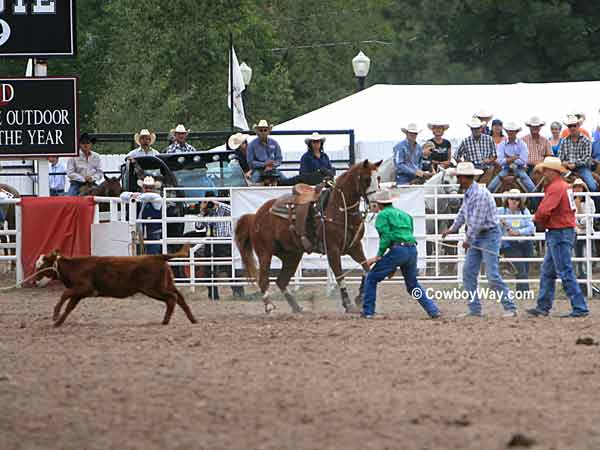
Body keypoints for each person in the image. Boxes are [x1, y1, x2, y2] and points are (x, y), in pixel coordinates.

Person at [441, 162, 518, 317]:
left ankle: (510, 307)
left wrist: (468, 239)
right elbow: (464, 212)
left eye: (459, 178)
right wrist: (453, 228)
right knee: (468, 272)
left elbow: (476, 222)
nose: (458, 181)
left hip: (489, 234)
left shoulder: (480, 195)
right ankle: (474, 309)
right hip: (479, 235)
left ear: (465, 178)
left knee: (492, 274)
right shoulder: (470, 192)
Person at [361, 190, 440, 319]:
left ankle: (368, 312)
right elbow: (408, 234)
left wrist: (378, 256)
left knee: (371, 278)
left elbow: (385, 237)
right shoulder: (405, 215)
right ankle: (433, 310)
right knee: (413, 285)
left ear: (379, 204)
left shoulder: (382, 215)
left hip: (398, 250)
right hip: (412, 250)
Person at [527, 157, 589, 317]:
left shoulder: (555, 188)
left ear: (552, 171)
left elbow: (545, 209)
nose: (543, 173)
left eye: (546, 170)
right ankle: (543, 306)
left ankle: (579, 307)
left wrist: (537, 218)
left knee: (563, 270)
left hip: (559, 232)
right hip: (563, 230)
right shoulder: (565, 186)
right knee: (549, 270)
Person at [198, 191, 244, 300]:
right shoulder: (206, 212)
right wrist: (202, 211)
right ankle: (213, 295)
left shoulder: (224, 209)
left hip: (224, 241)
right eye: (207, 201)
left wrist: (217, 203)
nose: (210, 203)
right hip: (210, 241)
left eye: (211, 201)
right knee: (209, 269)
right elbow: (198, 226)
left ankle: (238, 292)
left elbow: (233, 210)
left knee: (230, 268)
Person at [498, 189, 535, 292]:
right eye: (512, 198)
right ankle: (525, 293)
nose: (514, 201)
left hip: (525, 243)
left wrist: (518, 232)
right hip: (509, 244)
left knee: (524, 270)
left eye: (517, 199)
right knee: (520, 269)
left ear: (520, 201)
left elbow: (532, 228)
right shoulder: (500, 211)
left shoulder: (524, 211)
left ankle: (520, 293)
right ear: (507, 200)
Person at [120, 176, 163, 255]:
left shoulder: (157, 198)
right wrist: (134, 195)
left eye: (151, 188)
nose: (148, 189)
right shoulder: (142, 198)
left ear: (154, 189)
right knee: (140, 253)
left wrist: (134, 196)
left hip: (153, 231)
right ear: (143, 187)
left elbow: (149, 196)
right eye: (146, 187)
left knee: (152, 254)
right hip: (140, 231)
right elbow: (122, 195)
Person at [488, 122, 535, 193]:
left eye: (513, 131)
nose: (511, 132)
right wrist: (515, 157)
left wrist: (507, 159)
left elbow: (523, 161)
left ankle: (534, 203)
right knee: (490, 188)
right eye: (509, 131)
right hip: (505, 169)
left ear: (516, 132)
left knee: (533, 189)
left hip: (519, 169)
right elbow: (499, 161)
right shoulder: (502, 144)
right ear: (506, 131)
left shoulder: (522, 144)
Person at [558, 115, 597, 194]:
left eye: (574, 125)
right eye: (570, 126)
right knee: (556, 186)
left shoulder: (586, 140)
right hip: (567, 169)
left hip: (582, 168)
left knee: (592, 187)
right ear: (568, 127)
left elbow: (586, 158)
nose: (572, 128)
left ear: (578, 126)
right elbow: (560, 156)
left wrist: (575, 164)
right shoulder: (564, 141)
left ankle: (595, 205)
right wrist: (565, 163)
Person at [572, 178, 595, 296]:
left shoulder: (589, 201)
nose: (577, 189)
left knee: (587, 261)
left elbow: (586, 221)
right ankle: (580, 287)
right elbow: (572, 219)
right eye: (575, 187)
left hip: (587, 234)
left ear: (583, 188)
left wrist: (578, 209)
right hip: (576, 234)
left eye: (579, 187)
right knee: (578, 262)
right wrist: (578, 223)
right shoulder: (571, 202)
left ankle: (588, 287)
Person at [247, 119, 284, 184]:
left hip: (272, 169)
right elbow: (250, 162)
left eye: (265, 130)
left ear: (268, 132)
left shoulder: (274, 143)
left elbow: (279, 158)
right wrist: (264, 164)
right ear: (257, 132)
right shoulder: (252, 145)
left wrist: (272, 165)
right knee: (253, 184)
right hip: (258, 170)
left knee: (286, 181)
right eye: (261, 130)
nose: (263, 132)